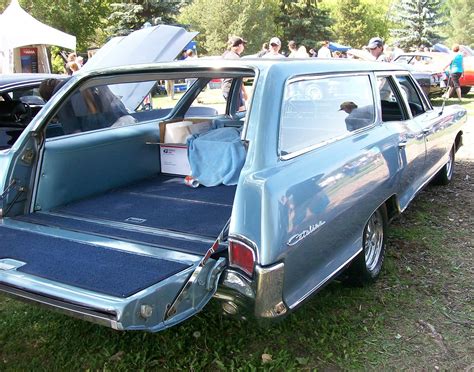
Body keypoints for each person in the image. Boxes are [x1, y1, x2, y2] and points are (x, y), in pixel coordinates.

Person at [222, 36, 248, 109]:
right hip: (232, 89)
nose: (243, 47)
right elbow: (240, 76)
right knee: (239, 112)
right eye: (243, 45)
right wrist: (244, 92)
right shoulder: (235, 58)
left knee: (240, 110)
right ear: (240, 45)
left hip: (228, 88)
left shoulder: (227, 55)